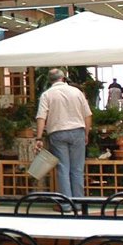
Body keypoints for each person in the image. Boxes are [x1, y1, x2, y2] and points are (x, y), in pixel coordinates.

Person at [34, 68, 93, 198]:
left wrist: (39, 138)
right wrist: (86, 133)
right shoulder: (77, 92)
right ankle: (78, 202)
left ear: (50, 80)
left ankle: (66, 203)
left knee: (63, 169)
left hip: (57, 133)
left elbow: (41, 117)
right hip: (77, 131)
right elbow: (88, 115)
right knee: (77, 169)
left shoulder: (47, 95)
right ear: (63, 78)